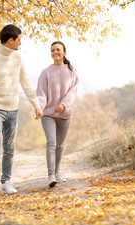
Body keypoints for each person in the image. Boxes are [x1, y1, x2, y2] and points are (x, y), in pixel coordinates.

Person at [0, 24, 43, 199]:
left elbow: (26, 83)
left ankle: (6, 182)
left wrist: (36, 105)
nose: (20, 43)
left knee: (9, 148)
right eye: (19, 39)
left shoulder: (17, 58)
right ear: (10, 40)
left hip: (13, 110)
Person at [36, 41, 79, 187]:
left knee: (60, 145)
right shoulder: (46, 72)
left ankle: (58, 172)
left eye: (58, 50)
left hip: (65, 115)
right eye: (53, 50)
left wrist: (63, 104)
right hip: (48, 114)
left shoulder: (72, 71)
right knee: (51, 143)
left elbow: (72, 92)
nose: (55, 52)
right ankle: (51, 175)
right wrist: (40, 108)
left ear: (64, 53)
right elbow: (41, 93)